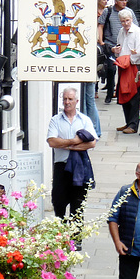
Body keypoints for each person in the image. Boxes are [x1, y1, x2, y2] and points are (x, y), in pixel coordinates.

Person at [46, 87, 98, 227]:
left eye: (70, 99)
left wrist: (66, 146)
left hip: (80, 165)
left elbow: (92, 142)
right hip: (61, 166)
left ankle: (76, 237)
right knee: (58, 201)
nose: (67, 102)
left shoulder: (84, 120)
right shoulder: (56, 120)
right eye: (65, 99)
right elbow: (52, 141)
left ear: (76, 101)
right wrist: (74, 142)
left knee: (78, 203)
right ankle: (61, 234)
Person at [113, 9, 140, 134]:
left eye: (127, 20)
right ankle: (128, 122)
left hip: (133, 66)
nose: (125, 23)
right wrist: (115, 50)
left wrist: (128, 60)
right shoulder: (121, 31)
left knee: (134, 95)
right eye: (123, 21)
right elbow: (119, 46)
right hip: (123, 66)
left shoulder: (137, 32)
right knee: (123, 94)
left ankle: (134, 124)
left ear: (131, 19)